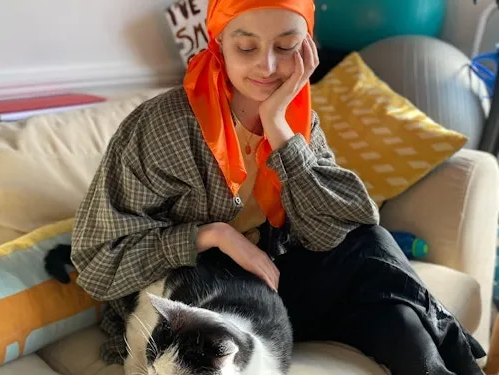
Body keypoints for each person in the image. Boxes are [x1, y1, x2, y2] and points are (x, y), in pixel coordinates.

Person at [71, 0, 486, 374]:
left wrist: (279, 127)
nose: (268, 66)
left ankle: (450, 364)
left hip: (272, 285)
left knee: (382, 284)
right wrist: (213, 235)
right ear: (218, 45)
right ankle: (454, 342)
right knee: (377, 283)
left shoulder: (297, 119)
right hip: (200, 299)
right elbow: (96, 263)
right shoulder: (159, 128)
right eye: (247, 48)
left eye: (287, 46)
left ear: (308, 47)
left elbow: (343, 228)